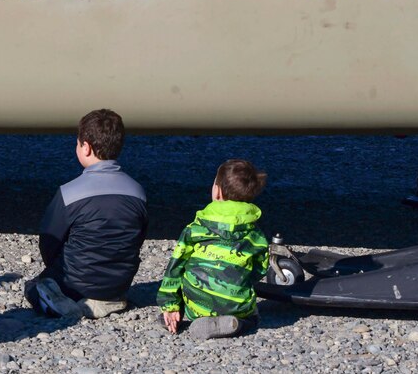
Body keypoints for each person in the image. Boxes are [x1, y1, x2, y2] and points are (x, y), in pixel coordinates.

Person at [25, 109, 148, 319]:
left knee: (33, 288)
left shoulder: (69, 192)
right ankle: (106, 299)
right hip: (119, 282)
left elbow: (49, 240)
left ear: (86, 147)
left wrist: (54, 269)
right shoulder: (138, 191)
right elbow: (138, 237)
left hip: (74, 282)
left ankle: (62, 302)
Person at [157, 158, 269, 340]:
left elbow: (175, 267)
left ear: (217, 192)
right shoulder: (256, 236)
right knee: (253, 317)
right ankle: (238, 323)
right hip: (236, 306)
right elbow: (260, 270)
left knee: (187, 277)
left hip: (196, 306)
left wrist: (170, 304)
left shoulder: (195, 228)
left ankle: (174, 318)